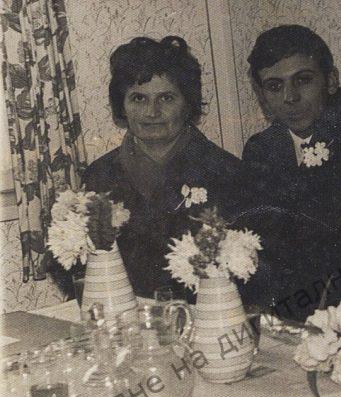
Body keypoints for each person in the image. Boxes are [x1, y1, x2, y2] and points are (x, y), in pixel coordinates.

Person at [240, 25, 341, 320]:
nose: (290, 97)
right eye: (274, 86)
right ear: (262, 96)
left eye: (303, 80)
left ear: (331, 80)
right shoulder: (261, 149)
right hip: (286, 315)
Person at [83, 36, 244, 298]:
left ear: (188, 104)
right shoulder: (98, 176)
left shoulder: (228, 172)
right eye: (138, 98)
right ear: (122, 106)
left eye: (166, 98)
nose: (152, 112)